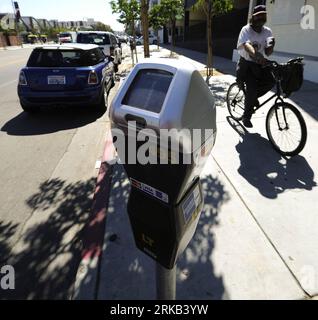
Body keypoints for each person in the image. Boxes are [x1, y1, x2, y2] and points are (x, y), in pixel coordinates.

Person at [236, 5, 276, 128]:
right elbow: (247, 46)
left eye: (263, 15)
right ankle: (246, 116)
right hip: (246, 63)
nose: (261, 18)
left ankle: (252, 98)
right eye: (259, 15)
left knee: (271, 80)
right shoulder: (246, 29)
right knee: (252, 87)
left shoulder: (267, 31)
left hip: (259, 63)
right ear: (253, 16)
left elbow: (268, 52)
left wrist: (271, 46)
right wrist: (257, 55)